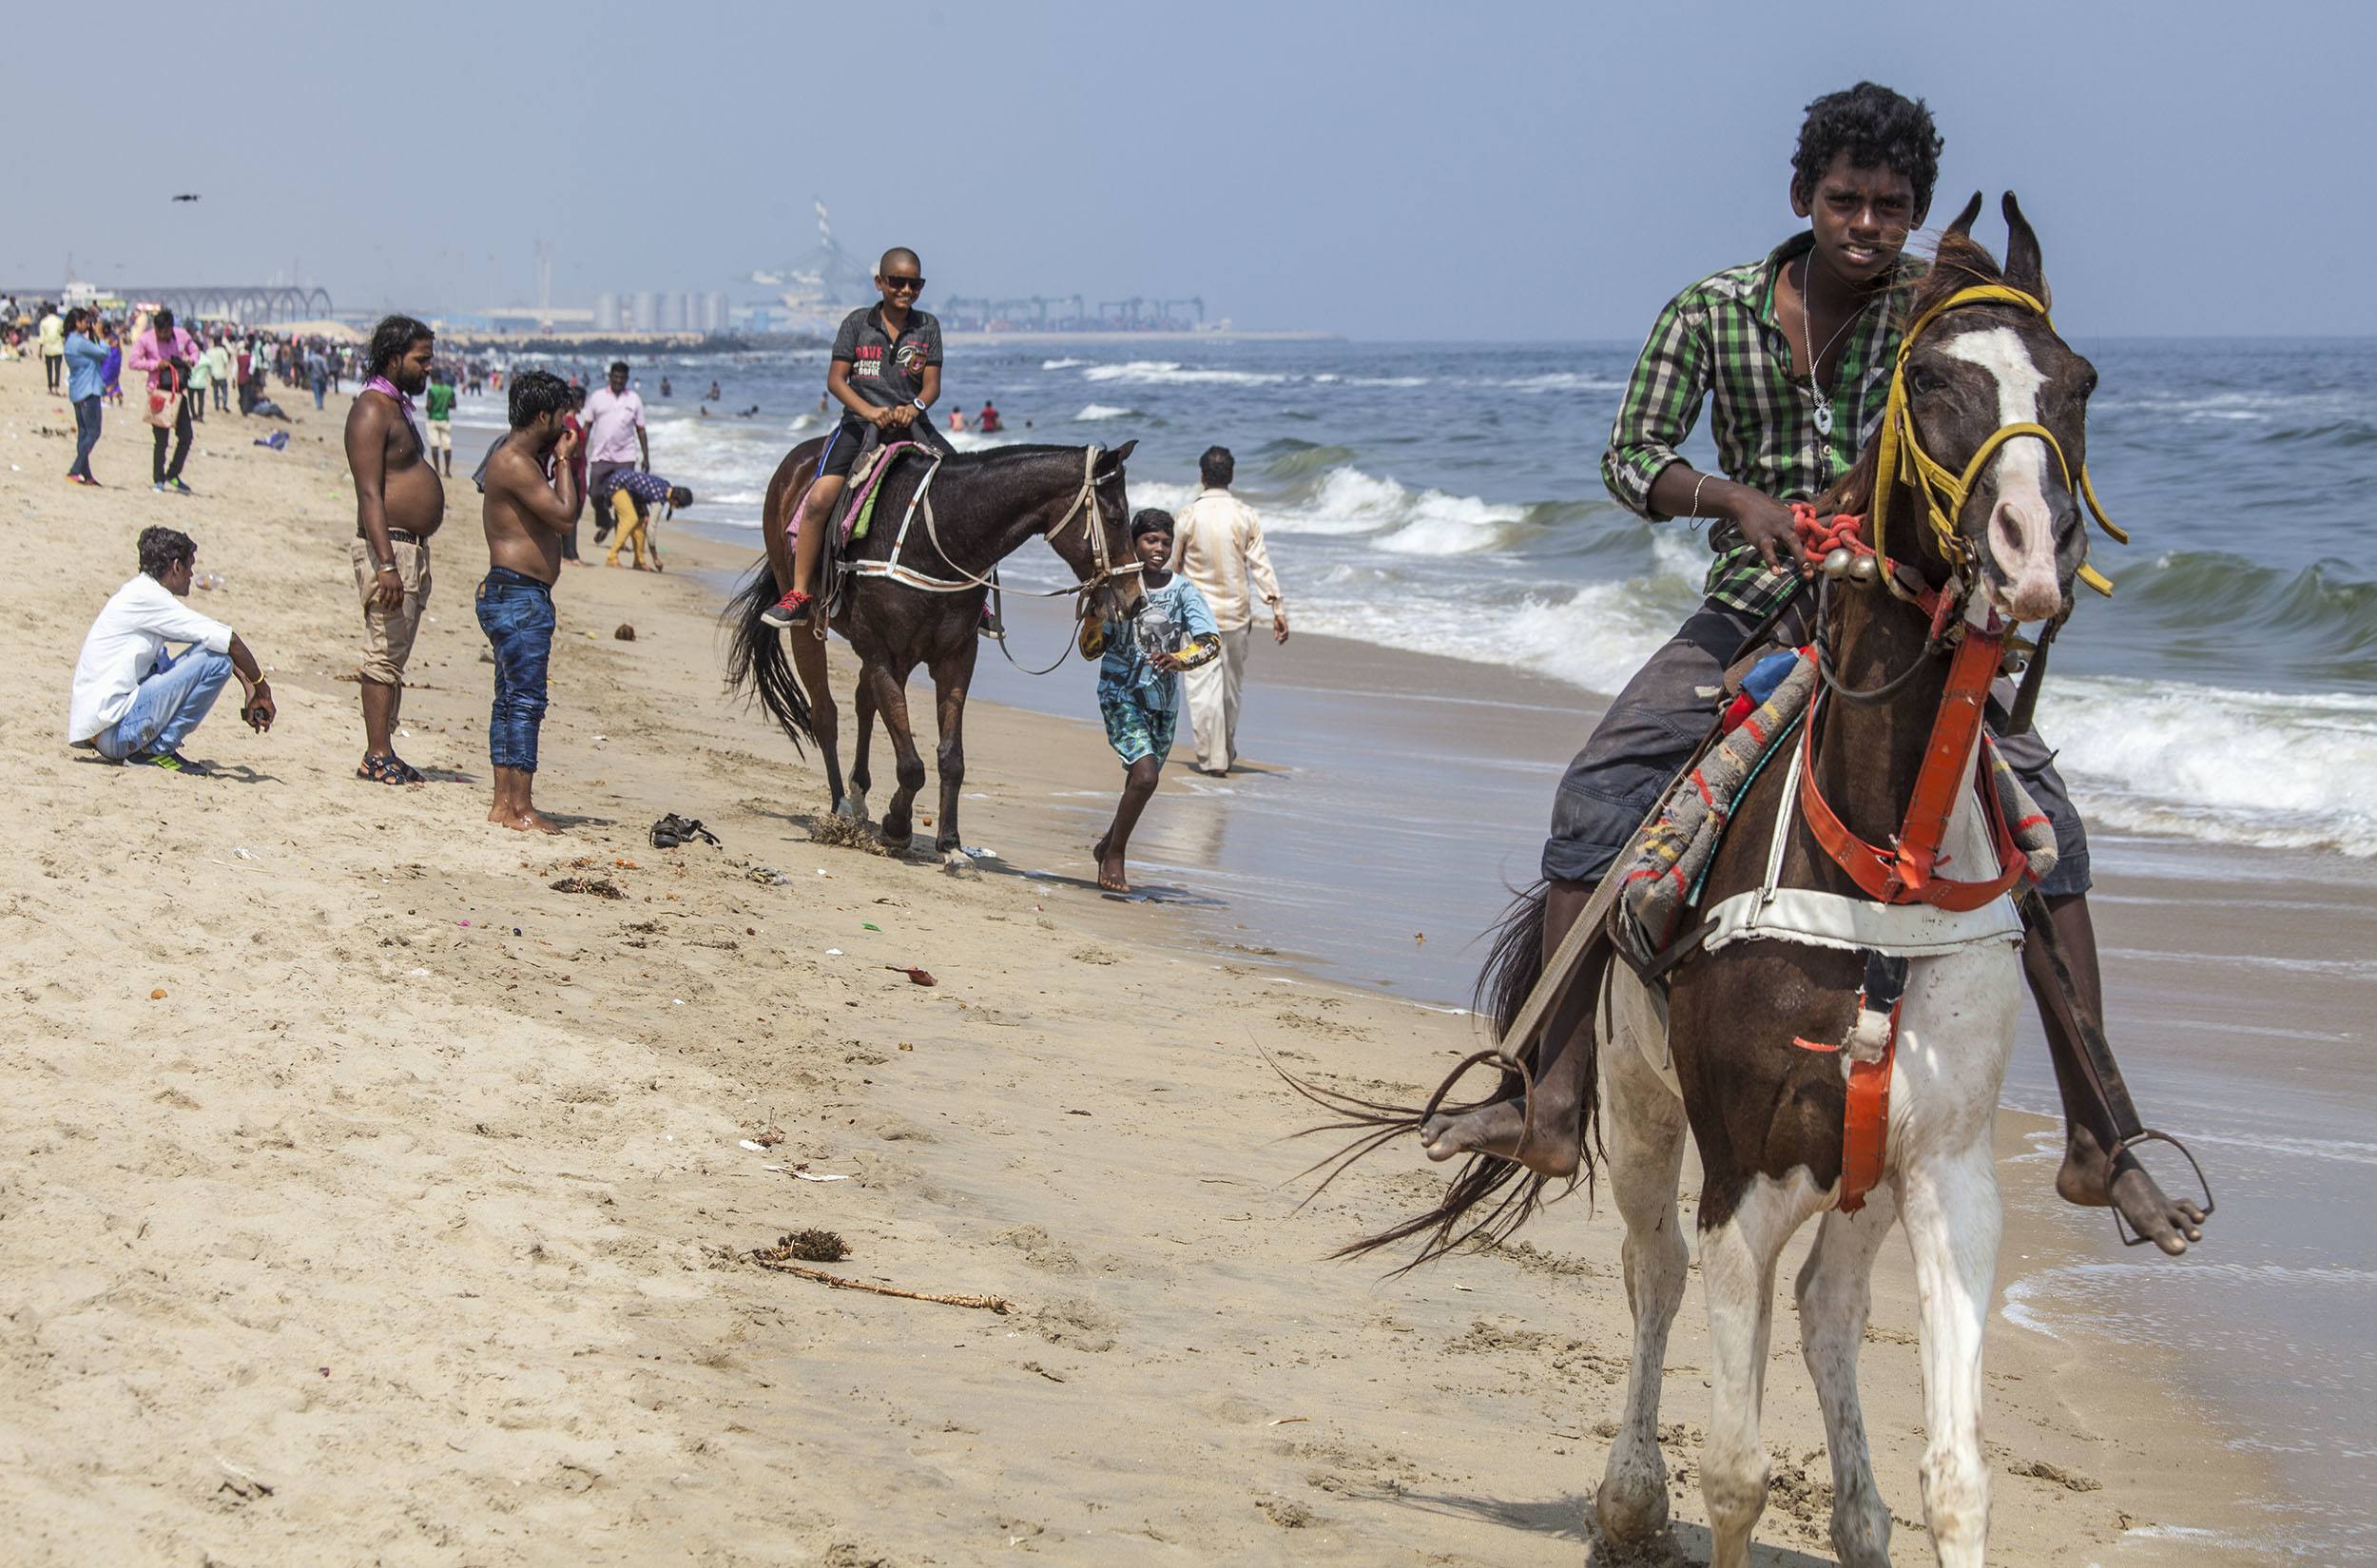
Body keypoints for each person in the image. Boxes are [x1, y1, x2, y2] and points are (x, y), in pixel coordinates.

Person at [1420, 83, 2208, 1256]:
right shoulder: (1715, 310)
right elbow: (1629, 456)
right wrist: (1737, 500)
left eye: (1891, 205)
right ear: (1803, 199)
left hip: (1902, 622)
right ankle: (1550, 1091)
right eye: (1845, 199)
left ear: (1914, 213)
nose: (1866, 223)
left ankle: (2101, 1133)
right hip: (1751, 608)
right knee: (1596, 792)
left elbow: (1997, 422)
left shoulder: (1925, 319)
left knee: (2048, 828)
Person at [763, 247, 950, 627]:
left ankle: (976, 600)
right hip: (858, 427)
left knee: (969, 489)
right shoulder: (856, 324)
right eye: (897, 282)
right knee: (818, 499)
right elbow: (836, 380)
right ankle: (799, 592)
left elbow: (932, 386)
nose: (906, 289)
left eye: (915, 283)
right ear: (880, 283)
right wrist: (869, 412)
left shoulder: (927, 326)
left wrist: (913, 406)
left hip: (913, 426)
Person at [68, 526, 276, 772]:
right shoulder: (150, 598)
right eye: (190, 566)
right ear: (176, 566)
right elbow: (230, 640)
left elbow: (216, 642)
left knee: (213, 653)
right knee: (217, 662)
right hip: (117, 734)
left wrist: (247, 684)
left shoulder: (140, 592)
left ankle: (151, 748)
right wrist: (262, 687)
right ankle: (157, 750)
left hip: (108, 730)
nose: (192, 574)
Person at [1089, 510, 1220, 893]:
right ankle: (1115, 855)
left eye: (1165, 541)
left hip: (1162, 703)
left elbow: (1209, 642)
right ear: (1134, 543)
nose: (1159, 548)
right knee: (1146, 775)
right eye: (1150, 540)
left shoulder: (1183, 590)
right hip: (1119, 693)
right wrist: (1094, 616)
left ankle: (1105, 846)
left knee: (1140, 782)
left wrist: (1178, 659)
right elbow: (1089, 650)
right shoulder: (1115, 586)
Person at [475, 370, 580, 833]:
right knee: (525, 703)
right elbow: (564, 515)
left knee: (509, 700)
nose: (564, 425)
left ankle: (504, 804)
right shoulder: (516, 460)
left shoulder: (511, 454)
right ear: (543, 415)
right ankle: (520, 807)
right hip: (518, 596)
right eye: (560, 416)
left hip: (513, 593)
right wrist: (563, 462)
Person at [343, 315, 441, 785]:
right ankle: (376, 755)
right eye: (421, 360)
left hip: (409, 551)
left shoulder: (396, 407)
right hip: (392, 551)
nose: (428, 369)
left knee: (395, 657)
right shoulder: (371, 409)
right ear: (393, 357)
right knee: (382, 654)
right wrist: (385, 564)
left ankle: (385, 748)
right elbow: (369, 494)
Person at [1167, 446, 1287, 774]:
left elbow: (1174, 568)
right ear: (1231, 477)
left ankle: (1213, 759)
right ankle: (1224, 750)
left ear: (1201, 476)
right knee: (1231, 690)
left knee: (1202, 686)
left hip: (1197, 618)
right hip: (1237, 616)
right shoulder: (1246, 515)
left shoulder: (1187, 516)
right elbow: (1261, 565)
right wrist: (1277, 608)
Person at [128, 308, 200, 494]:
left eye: (166, 331)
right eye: (159, 332)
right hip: (159, 393)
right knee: (161, 440)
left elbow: (195, 351)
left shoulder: (181, 336)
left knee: (186, 436)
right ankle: (158, 479)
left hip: (178, 393)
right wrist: (154, 365)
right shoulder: (146, 339)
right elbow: (133, 361)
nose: (162, 335)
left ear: (171, 327)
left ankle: (173, 473)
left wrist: (190, 360)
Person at [581, 361, 647, 548]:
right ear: (609, 377)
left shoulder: (634, 399)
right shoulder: (597, 397)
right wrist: (580, 452)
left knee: (623, 499)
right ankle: (605, 522)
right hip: (600, 456)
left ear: (626, 379)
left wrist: (646, 458)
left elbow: (641, 430)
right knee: (594, 494)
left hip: (626, 457)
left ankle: (620, 538)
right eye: (615, 377)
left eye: (622, 378)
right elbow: (587, 426)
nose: (618, 381)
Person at [599, 469, 691, 571]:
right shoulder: (659, 498)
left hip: (626, 486)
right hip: (617, 484)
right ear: (676, 502)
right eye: (680, 506)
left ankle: (639, 562)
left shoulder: (666, 487)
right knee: (630, 519)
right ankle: (612, 557)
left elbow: (642, 491)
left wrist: (645, 514)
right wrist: (655, 558)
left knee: (640, 523)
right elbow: (651, 531)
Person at [63, 310, 109, 486]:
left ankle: (86, 474)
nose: (87, 324)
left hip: (77, 390)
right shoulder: (79, 342)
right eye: (85, 321)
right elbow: (104, 354)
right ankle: (75, 469)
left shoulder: (70, 341)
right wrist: (99, 336)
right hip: (88, 390)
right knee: (94, 432)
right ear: (77, 322)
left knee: (84, 434)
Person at [423, 365, 456, 476]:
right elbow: (453, 404)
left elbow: (428, 406)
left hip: (433, 419)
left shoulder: (432, 390)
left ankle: (437, 470)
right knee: (447, 445)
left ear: (432, 378)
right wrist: (445, 405)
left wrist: (430, 408)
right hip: (445, 419)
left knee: (435, 445)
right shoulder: (449, 389)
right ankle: (447, 470)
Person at [39, 305, 65, 395]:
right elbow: (62, 334)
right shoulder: (60, 321)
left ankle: (50, 388)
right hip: (58, 347)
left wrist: (40, 350)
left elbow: (42, 338)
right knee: (57, 369)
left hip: (48, 348)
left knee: (49, 369)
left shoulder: (43, 322)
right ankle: (56, 388)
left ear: (48, 311)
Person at [205, 336, 233, 414]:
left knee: (215, 391)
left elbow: (208, 364)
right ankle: (224, 406)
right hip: (222, 374)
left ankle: (217, 406)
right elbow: (226, 361)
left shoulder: (209, 351)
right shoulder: (222, 350)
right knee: (224, 391)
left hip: (213, 375)